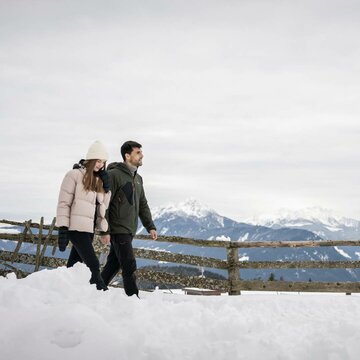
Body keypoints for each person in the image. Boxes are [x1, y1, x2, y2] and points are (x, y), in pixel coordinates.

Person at [100, 140, 157, 297]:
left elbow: (143, 204)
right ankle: (133, 299)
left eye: (141, 152)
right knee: (129, 264)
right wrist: (104, 230)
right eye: (138, 152)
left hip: (129, 229)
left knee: (113, 264)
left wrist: (150, 226)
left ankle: (95, 290)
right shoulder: (113, 176)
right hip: (118, 229)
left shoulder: (138, 179)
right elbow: (103, 204)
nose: (141, 155)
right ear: (127, 155)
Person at [56, 140, 111, 291]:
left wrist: (107, 188)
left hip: (89, 229)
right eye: (98, 161)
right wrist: (63, 228)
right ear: (91, 159)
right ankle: (102, 291)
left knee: (75, 264)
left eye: (104, 162)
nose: (101, 165)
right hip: (76, 228)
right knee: (92, 263)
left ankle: (61, 290)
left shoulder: (99, 180)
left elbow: (103, 206)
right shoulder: (73, 175)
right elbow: (64, 203)